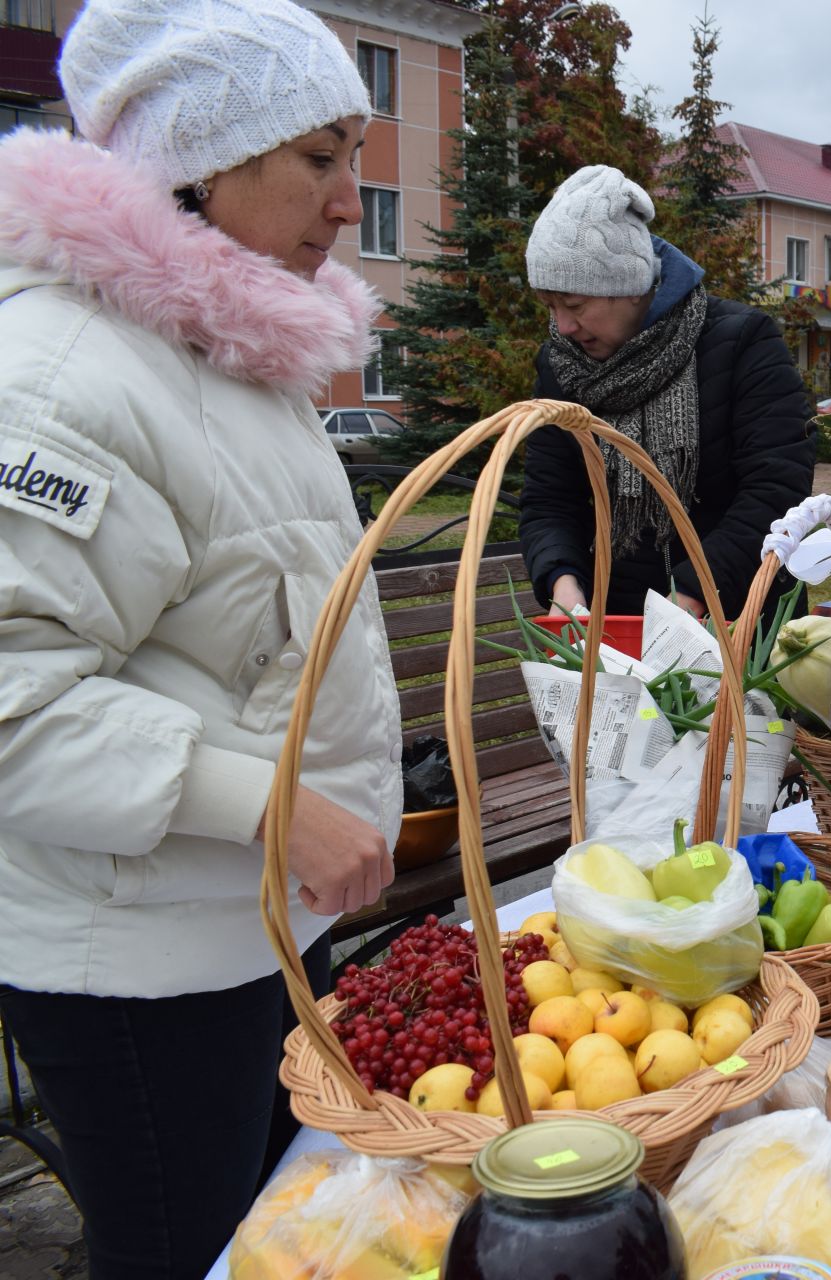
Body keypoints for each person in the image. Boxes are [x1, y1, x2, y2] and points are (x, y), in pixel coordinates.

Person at [0, 0, 401, 1273]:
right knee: (189, 1245)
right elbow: (14, 699)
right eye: (323, 158)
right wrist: (277, 804)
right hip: (139, 970)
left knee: (278, 1237)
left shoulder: (226, 357)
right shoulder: (66, 377)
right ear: (200, 159)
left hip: (253, 921)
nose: (352, 202)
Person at [518, 166, 814, 624]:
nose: (563, 327)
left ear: (630, 288)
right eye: (550, 306)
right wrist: (564, 585)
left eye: (575, 305)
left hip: (737, 625)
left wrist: (692, 597)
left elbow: (775, 490)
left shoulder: (741, 343)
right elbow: (549, 498)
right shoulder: (562, 365)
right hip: (615, 635)